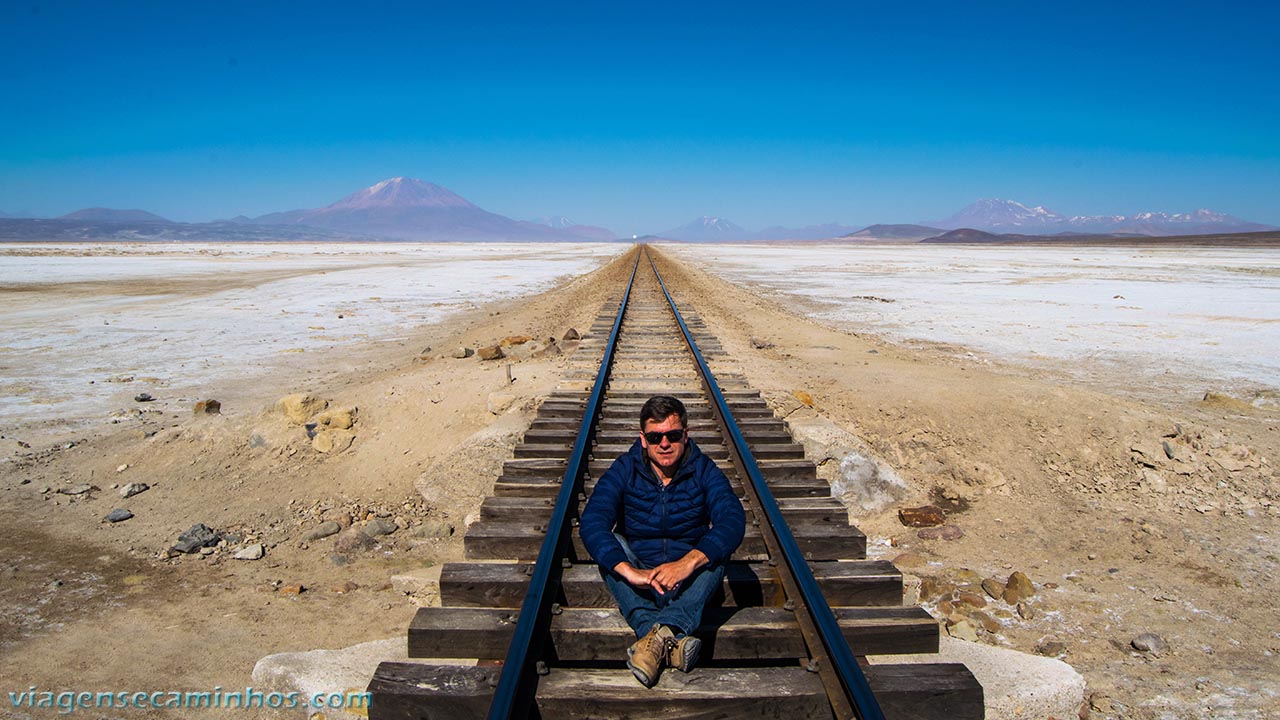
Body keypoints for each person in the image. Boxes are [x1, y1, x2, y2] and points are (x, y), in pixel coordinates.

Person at [579, 395, 746, 688]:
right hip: (640, 577)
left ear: (686, 434)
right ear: (643, 439)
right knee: (611, 546)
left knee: (715, 550)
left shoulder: (704, 470)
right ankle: (671, 639)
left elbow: (732, 519)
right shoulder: (625, 468)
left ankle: (652, 642)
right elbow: (593, 520)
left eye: (673, 435)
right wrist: (630, 571)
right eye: (656, 437)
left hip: (689, 580)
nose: (665, 443)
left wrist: (687, 563)